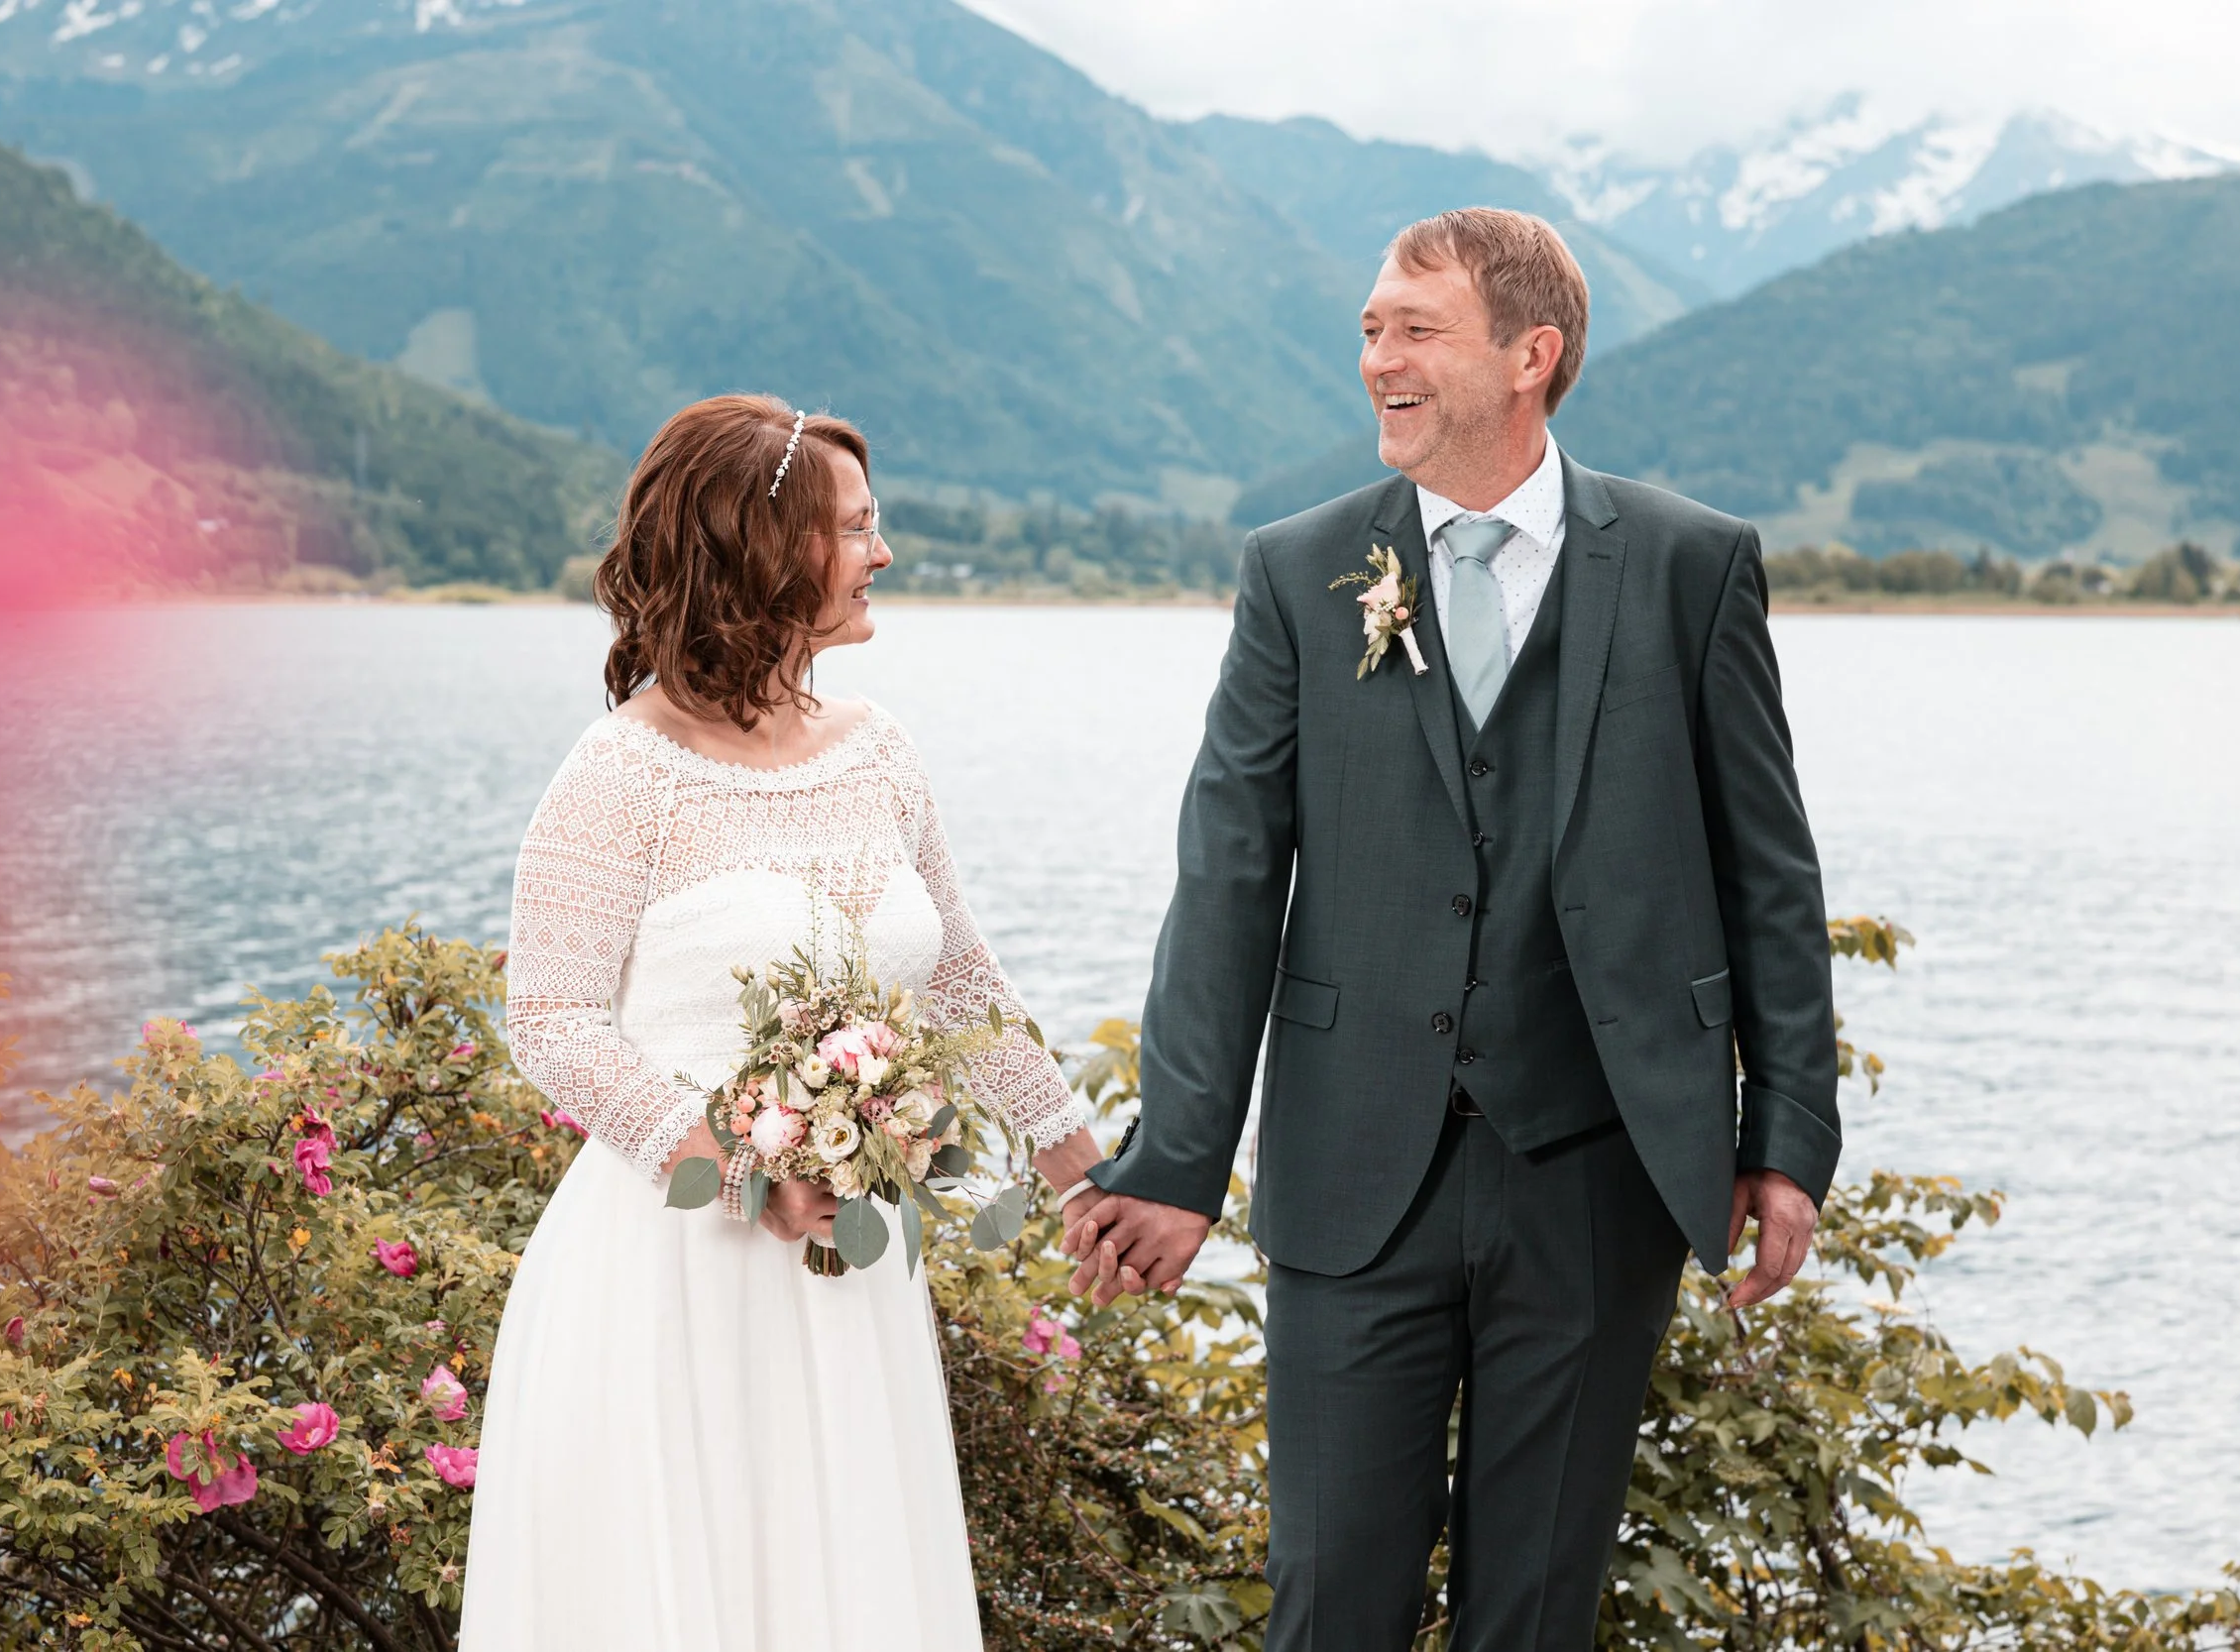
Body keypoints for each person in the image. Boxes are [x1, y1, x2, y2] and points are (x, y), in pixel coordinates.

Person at [1067, 208, 1840, 1648]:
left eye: (1414, 330)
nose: (1377, 360)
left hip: (1600, 1167)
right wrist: (1176, 1155)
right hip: (1356, 1168)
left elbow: (1767, 871)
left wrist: (1785, 1133)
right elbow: (1230, 871)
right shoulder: (1299, 572)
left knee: (1535, 1612)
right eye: (1370, 329)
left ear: (1529, 354)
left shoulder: (1690, 564)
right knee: (1331, 1605)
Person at [460, 394, 1114, 1650]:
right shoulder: (621, 772)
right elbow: (548, 1018)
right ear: (762, 552)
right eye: (858, 527)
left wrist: (1079, 1170)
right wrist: (742, 1171)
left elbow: (963, 979)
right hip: (674, 1266)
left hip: (847, 1275)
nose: (883, 551)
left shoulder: (880, 751)